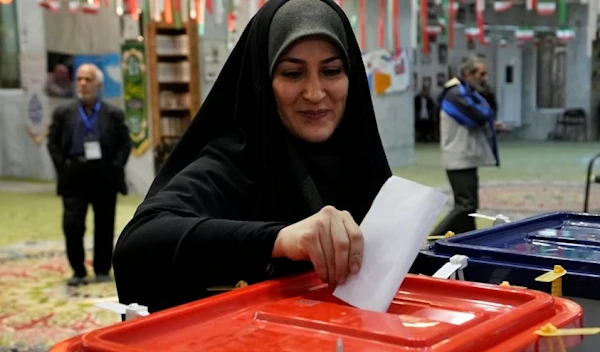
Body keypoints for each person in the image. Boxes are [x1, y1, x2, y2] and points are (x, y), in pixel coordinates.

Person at [113, 0, 392, 313]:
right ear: (263, 81)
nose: (314, 92)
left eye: (331, 71)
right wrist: (279, 239)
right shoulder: (233, 164)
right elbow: (137, 245)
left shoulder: (360, 162)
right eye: (292, 73)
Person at [47, 64, 131, 286]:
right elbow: (53, 143)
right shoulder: (63, 112)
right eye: (80, 79)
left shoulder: (113, 114)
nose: (83, 83)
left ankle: (102, 269)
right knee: (73, 225)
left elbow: (125, 143)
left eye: (88, 79)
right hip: (74, 174)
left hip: (104, 175)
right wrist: (62, 168)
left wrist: (115, 167)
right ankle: (78, 271)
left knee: (104, 224)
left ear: (99, 85)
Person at [430, 56, 503, 236]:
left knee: (469, 208)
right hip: (459, 158)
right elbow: (478, 115)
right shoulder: (456, 94)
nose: (485, 78)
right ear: (468, 74)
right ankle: (427, 240)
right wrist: (488, 114)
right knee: (466, 206)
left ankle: (468, 240)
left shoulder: (465, 92)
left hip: (465, 157)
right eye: (481, 73)